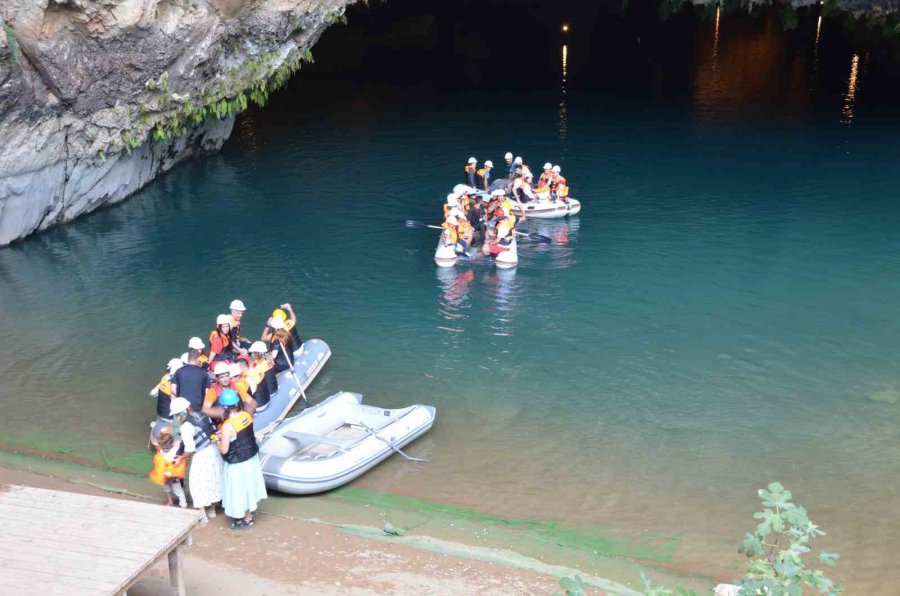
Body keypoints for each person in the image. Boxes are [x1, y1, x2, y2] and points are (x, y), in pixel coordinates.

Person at [216, 389, 268, 530]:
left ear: (224, 407)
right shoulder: (246, 415)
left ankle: (244, 518)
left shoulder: (227, 426)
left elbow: (224, 450)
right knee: (249, 487)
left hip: (237, 463)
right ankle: (249, 515)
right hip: (251, 458)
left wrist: (217, 441)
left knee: (239, 490)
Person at [170, 397, 222, 524]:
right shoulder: (202, 414)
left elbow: (190, 449)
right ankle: (212, 510)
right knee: (214, 479)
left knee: (197, 483)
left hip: (202, 455)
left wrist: (181, 457)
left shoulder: (185, 427)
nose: (176, 418)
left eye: (176, 415)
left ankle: (202, 514)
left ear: (180, 414)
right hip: (215, 450)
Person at [148, 425, 188, 507]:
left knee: (177, 490)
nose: (165, 450)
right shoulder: (161, 450)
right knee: (166, 489)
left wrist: (175, 475)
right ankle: (170, 501)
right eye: (163, 448)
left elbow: (180, 463)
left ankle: (183, 504)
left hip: (174, 475)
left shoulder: (176, 450)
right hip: (164, 475)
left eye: (167, 448)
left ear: (171, 444)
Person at [150, 358, 183, 446]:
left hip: (161, 414)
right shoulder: (176, 383)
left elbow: (153, 393)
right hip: (170, 418)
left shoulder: (164, 378)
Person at [246, 341, 278, 412]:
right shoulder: (268, 358)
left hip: (262, 402)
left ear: (258, 353)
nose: (252, 354)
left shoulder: (258, 367)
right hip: (272, 390)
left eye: (253, 353)